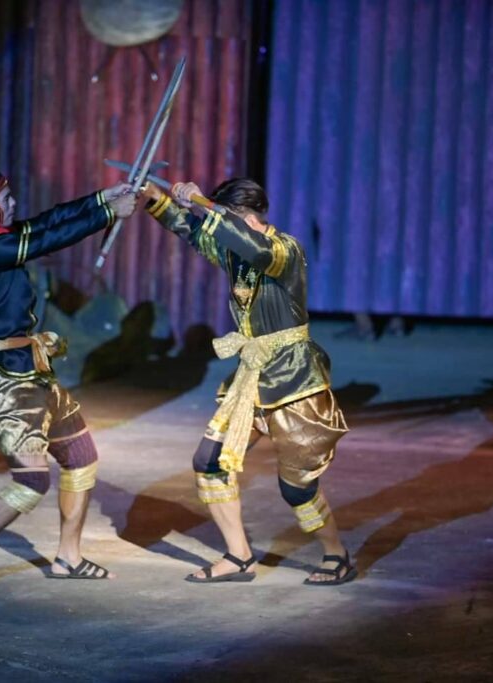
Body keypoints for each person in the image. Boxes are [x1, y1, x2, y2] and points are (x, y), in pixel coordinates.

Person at [0, 151, 137, 595]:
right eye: (5, 198)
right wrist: (107, 215)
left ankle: (68, 557)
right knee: (31, 482)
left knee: (81, 458)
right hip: (0, 381)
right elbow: (47, 241)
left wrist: (102, 198)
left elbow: (49, 222)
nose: (13, 204)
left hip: (30, 367)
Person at [140, 178, 356, 585]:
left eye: (225, 216)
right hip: (253, 378)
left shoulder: (284, 249)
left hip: (295, 381)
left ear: (241, 216)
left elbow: (258, 251)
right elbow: (192, 232)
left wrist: (207, 209)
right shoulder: (234, 250)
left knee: (297, 489)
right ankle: (239, 557)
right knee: (209, 462)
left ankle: (337, 555)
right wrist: (158, 200)